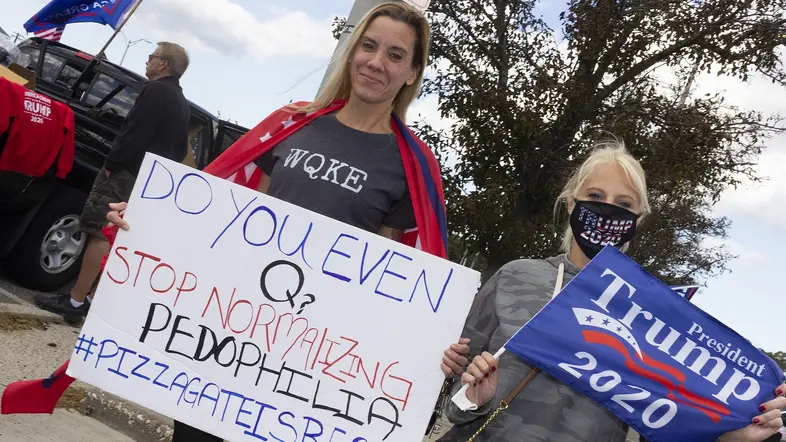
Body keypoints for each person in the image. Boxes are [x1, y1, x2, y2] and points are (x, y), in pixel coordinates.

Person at [103, 3, 445, 441]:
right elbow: (233, 213)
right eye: (369, 46)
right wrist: (154, 219)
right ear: (352, 50)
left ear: (413, 73)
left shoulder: (409, 165)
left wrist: (432, 343)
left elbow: (392, 278)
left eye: (396, 55)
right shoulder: (292, 123)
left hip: (301, 365)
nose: (376, 63)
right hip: (227, 337)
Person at [438, 142, 786, 442]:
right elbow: (453, 398)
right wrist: (473, 398)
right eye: (595, 196)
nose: (607, 209)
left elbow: (666, 423)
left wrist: (731, 434)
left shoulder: (655, 314)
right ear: (572, 203)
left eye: (623, 203)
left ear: (638, 219)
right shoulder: (516, 276)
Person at [34, 41, 191, 322]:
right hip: (146, 181)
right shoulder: (181, 103)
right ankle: (92, 301)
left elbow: (134, 132)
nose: (147, 61)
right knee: (117, 238)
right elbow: (180, 150)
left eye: (151, 57)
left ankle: (74, 301)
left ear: (164, 64)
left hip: (124, 173)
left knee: (99, 232)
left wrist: (113, 165)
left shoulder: (155, 90)